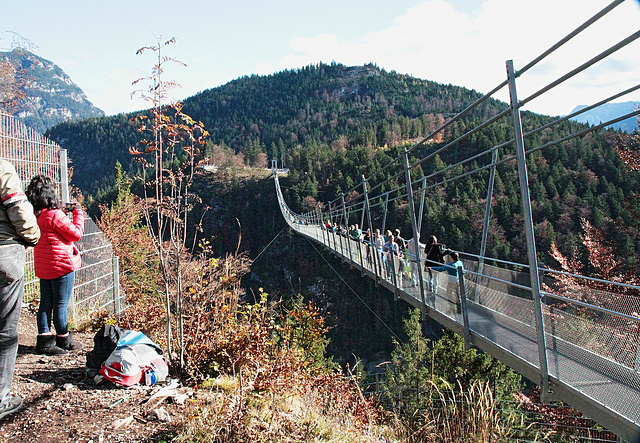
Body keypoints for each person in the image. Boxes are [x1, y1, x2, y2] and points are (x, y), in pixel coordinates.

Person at [26, 175, 85, 355]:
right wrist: (78, 213)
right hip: (62, 267)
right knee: (60, 303)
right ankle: (63, 339)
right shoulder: (55, 215)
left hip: (44, 267)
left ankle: (44, 340)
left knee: (45, 303)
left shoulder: (35, 216)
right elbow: (75, 234)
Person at [0, 160, 40, 421]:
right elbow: (20, 211)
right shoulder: (1, 168)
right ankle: (1, 398)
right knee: (5, 330)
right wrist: (33, 237)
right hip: (4, 252)